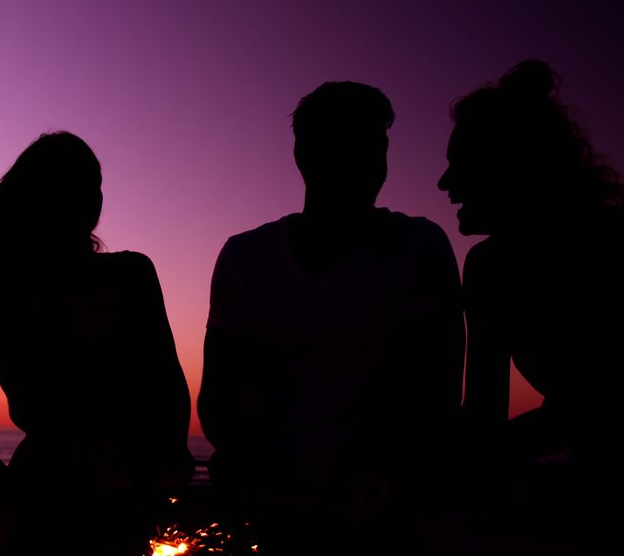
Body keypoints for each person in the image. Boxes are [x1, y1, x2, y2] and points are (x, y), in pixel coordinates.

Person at [439, 59, 624, 551]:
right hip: (600, 481)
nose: (446, 184)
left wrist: (475, 459)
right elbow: (485, 414)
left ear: (513, 166)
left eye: (462, 163)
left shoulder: (619, 246)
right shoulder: (487, 267)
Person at [199, 82, 465, 554]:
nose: (369, 161)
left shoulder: (420, 247)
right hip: (271, 502)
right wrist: (262, 469)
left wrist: (382, 468)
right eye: (351, 144)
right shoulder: (245, 257)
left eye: (376, 147)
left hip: (378, 505)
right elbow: (220, 400)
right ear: (305, 154)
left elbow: (434, 393)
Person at [0, 131, 193, 555]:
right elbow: (37, 402)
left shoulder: (127, 275)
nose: (96, 197)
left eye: (98, 185)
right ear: (47, 194)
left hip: (85, 488)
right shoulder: (6, 285)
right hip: (65, 493)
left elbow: (168, 391)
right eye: (84, 183)